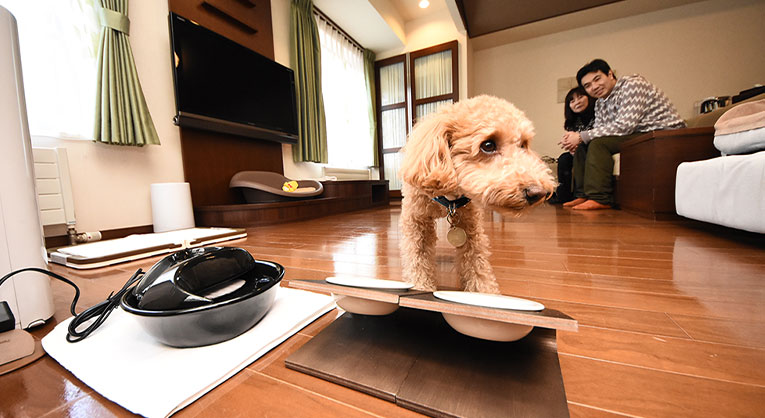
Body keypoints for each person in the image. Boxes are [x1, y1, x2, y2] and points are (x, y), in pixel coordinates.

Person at [558, 59, 686, 210]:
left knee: (598, 144)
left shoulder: (632, 85)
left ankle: (600, 198)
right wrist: (580, 141)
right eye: (588, 86)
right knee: (585, 145)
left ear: (610, 74)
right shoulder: (600, 103)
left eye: (597, 79)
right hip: (639, 134)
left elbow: (625, 126)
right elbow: (600, 130)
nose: (594, 87)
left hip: (661, 134)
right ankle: (582, 195)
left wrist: (580, 136)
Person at [550, 86, 595, 204]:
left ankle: (581, 195)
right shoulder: (572, 122)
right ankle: (563, 197)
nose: (577, 102)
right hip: (578, 151)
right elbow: (571, 139)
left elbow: (597, 134)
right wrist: (569, 145)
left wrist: (578, 144)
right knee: (564, 159)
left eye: (580, 97)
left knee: (581, 154)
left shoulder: (597, 114)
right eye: (572, 100)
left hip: (593, 149)